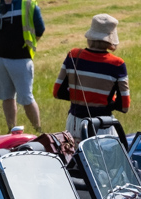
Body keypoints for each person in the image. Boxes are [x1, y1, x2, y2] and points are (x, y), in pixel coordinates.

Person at [53, 14, 129, 142]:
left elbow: (58, 92)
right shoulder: (117, 64)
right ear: (110, 39)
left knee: (75, 160)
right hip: (103, 125)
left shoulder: (73, 55)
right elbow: (124, 106)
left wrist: (81, 98)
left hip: (74, 124)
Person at [0, 0, 44, 133]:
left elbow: (40, 29)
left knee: (26, 98)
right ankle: (11, 130)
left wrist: (25, 45)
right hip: (0, 58)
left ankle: (38, 129)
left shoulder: (29, 5)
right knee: (6, 97)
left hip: (21, 58)